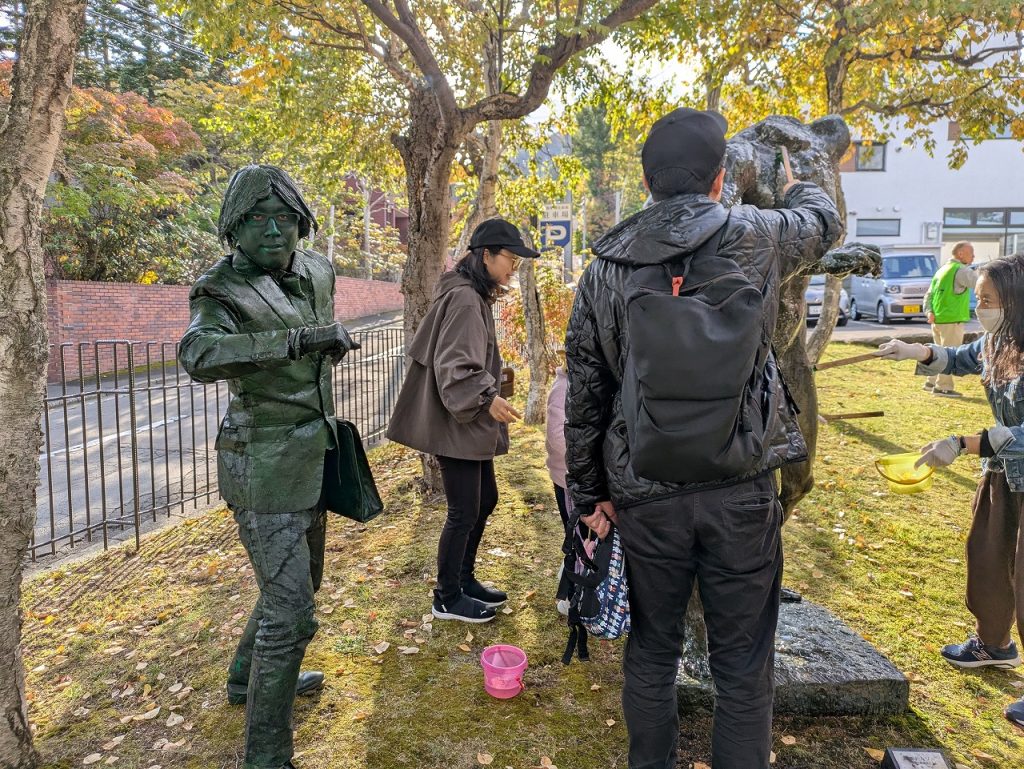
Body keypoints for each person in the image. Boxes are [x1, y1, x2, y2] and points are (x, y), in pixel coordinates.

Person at [564, 107, 842, 769]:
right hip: (741, 488)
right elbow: (824, 223)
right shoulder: (757, 234)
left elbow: (587, 388)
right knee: (744, 665)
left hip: (645, 491)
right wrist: (803, 179)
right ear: (721, 179)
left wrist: (588, 492)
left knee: (653, 651)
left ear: (647, 180)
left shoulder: (606, 264)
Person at [179, 165, 359, 769]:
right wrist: (296, 342)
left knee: (299, 587)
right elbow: (198, 352)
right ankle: (265, 757)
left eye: (284, 218)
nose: (274, 231)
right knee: (293, 613)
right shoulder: (219, 288)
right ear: (234, 227)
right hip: (260, 464)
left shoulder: (317, 270)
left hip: (315, 456)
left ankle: (240, 679)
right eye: (257, 220)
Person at [875, 252, 1024, 729]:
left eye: (989, 300)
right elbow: (961, 357)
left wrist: (963, 443)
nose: (980, 307)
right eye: (978, 298)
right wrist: (916, 351)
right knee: (987, 555)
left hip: (1012, 461)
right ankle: (994, 644)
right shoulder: (997, 342)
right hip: (1005, 474)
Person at [387, 218, 539, 623]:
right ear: (485, 255)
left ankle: (464, 580)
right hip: (458, 423)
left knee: (483, 500)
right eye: (510, 259)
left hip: (464, 421)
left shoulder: (471, 294)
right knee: (463, 510)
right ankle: (447, 597)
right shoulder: (467, 300)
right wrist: (488, 396)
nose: (513, 269)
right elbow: (455, 365)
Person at [923, 241, 977, 397]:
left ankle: (931, 381)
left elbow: (929, 294)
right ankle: (943, 387)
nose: (973, 256)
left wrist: (928, 312)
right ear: (960, 254)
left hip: (938, 319)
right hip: (952, 320)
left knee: (938, 353)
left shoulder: (942, 270)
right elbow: (979, 283)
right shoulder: (961, 270)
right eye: (971, 253)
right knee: (948, 356)